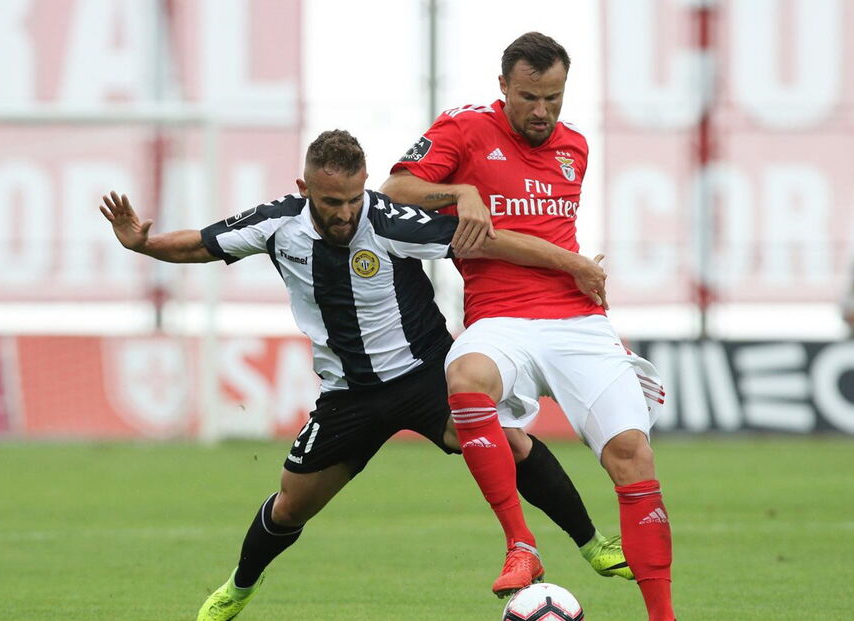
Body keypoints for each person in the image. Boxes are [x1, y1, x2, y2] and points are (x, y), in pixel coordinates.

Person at [99, 130, 618, 621]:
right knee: (289, 505)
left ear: (364, 184)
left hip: (426, 376)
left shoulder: (391, 219)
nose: (346, 213)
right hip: (348, 396)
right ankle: (239, 586)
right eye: (331, 202)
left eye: (353, 198)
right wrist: (143, 244)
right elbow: (202, 244)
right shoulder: (278, 223)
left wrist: (571, 263)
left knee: (511, 442)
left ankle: (592, 544)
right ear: (305, 190)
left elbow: (491, 242)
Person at [382, 32, 676, 619]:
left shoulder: (577, 148)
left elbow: (545, 233)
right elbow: (394, 190)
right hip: (501, 317)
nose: (541, 112)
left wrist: (577, 269)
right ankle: (521, 544)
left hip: (577, 319)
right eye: (528, 97)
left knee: (632, 456)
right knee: (465, 376)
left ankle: (663, 616)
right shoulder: (464, 128)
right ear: (502, 88)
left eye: (554, 98)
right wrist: (460, 189)